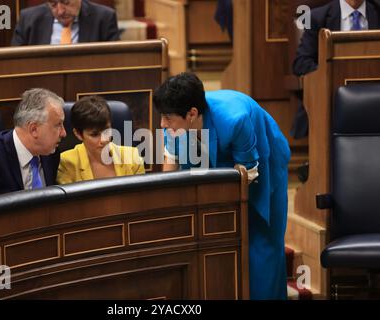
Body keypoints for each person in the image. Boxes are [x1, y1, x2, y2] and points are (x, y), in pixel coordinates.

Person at [153, 72, 290, 300]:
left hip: (262, 163)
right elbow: (172, 158)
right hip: (215, 157)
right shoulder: (176, 125)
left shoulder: (234, 119)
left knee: (262, 243)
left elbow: (247, 174)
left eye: (167, 117)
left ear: (192, 114)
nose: (162, 123)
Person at [291, 0, 380, 138]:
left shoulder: (377, 12)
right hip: (331, 101)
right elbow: (301, 63)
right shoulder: (316, 17)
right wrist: (332, 72)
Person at [57, 96, 144, 184]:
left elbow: (142, 196)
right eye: (95, 134)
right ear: (78, 134)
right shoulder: (66, 163)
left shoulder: (133, 157)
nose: (104, 140)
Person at [11, 0, 120, 46]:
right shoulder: (28, 19)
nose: (60, 11)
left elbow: (114, 62)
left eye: (66, 2)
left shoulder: (104, 18)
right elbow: (15, 62)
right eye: (53, 4)